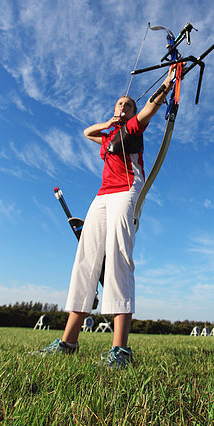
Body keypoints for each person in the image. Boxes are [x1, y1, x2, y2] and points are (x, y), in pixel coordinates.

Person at [39, 67, 175, 368]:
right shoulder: (108, 135)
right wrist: (109, 123)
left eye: (129, 104)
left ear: (133, 112)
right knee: (86, 258)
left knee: (118, 257)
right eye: (120, 104)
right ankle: (68, 342)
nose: (124, 106)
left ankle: (120, 351)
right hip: (102, 195)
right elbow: (87, 131)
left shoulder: (134, 129)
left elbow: (151, 106)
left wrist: (169, 81)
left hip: (127, 191)